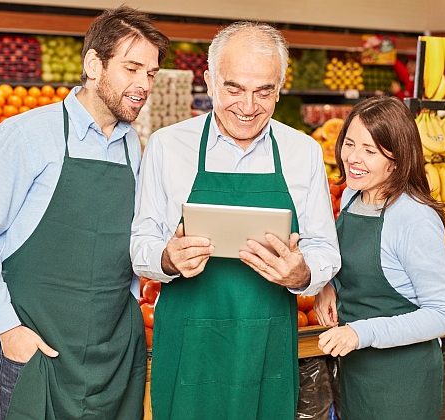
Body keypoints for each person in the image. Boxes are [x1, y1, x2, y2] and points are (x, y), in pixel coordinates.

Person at [0, 7, 168, 420]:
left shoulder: (133, 147)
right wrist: (8, 329)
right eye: (132, 68)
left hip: (113, 357)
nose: (143, 85)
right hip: (37, 354)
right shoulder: (27, 135)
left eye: (151, 74)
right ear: (92, 64)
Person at [130, 22, 341, 420]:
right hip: (188, 344)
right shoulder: (168, 146)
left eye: (264, 91)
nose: (248, 106)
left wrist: (303, 274)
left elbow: (324, 249)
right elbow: (141, 241)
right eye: (234, 89)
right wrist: (167, 259)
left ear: (280, 87)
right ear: (209, 82)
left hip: (267, 343)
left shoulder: (303, 152)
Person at [314, 96, 445, 420]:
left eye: (370, 150)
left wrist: (360, 333)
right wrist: (329, 285)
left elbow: (442, 315)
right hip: (356, 370)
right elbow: (351, 264)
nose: (353, 157)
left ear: (396, 158)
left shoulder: (415, 218)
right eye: (349, 143)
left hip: (402, 381)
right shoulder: (352, 195)